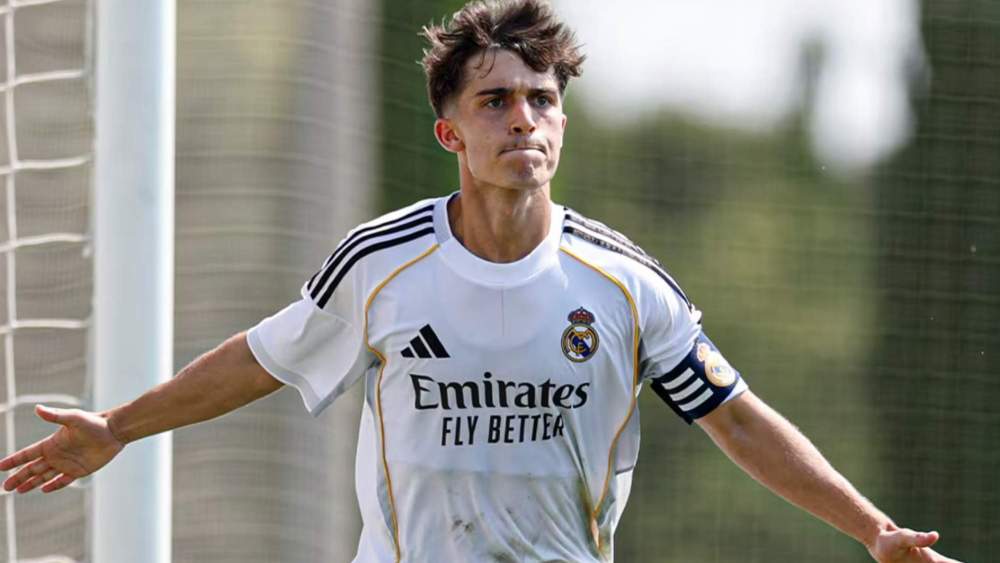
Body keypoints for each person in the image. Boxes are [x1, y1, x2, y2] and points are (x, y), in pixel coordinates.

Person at [0, 1, 961, 562]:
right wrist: (117, 427)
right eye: (496, 101)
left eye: (541, 100)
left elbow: (737, 418)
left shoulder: (625, 285)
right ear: (450, 132)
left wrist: (871, 529)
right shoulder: (381, 264)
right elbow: (261, 358)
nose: (523, 120)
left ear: (562, 123)